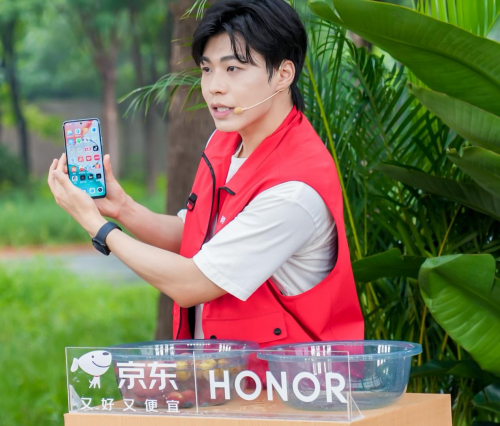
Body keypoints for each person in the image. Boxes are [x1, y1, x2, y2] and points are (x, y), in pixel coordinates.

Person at [48, 0, 364, 347]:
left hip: (284, 378)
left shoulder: (293, 192)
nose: (214, 86)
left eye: (233, 69)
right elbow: (196, 236)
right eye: (207, 69)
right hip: (226, 373)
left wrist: (99, 227)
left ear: (283, 74)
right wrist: (123, 208)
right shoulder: (225, 141)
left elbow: (190, 284)